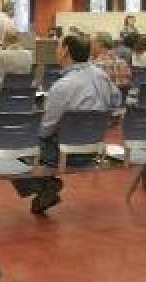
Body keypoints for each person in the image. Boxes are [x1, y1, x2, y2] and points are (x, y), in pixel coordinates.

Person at [15, 34, 123, 215]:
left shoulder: (62, 87)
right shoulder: (102, 76)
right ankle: (45, 187)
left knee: (13, 144)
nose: (56, 50)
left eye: (58, 47)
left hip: (64, 155)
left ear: (65, 51)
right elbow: (117, 100)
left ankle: (45, 186)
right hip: (94, 150)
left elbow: (46, 131)